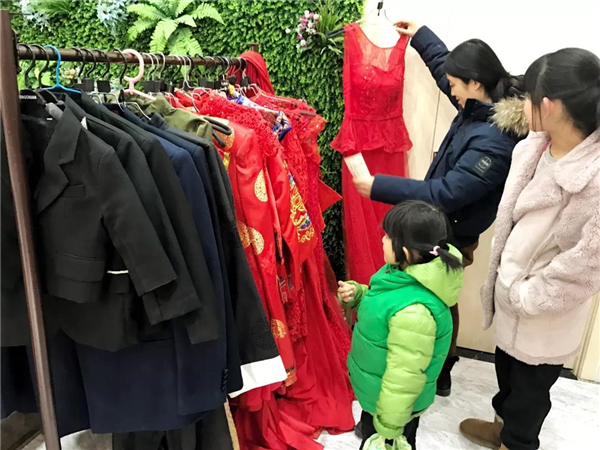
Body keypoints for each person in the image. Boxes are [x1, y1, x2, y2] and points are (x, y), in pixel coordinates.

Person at [352, 21, 529, 396]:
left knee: (440, 299)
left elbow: (447, 193)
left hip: (453, 232)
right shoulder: (479, 107)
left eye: (455, 85)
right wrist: (419, 34)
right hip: (438, 224)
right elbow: (442, 67)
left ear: (475, 83)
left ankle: (442, 366)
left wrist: (377, 186)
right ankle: (418, 357)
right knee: (425, 293)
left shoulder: (495, 141)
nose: (451, 91)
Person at [460, 48, 600, 450]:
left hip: (544, 311)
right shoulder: (535, 146)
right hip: (513, 296)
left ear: (550, 105)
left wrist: (529, 296)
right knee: (506, 374)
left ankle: (516, 441)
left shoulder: (592, 176)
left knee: (529, 395)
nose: (523, 103)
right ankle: (500, 427)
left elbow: (588, 262)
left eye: (529, 96)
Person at [338, 200, 464, 450]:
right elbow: (386, 307)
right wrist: (360, 295)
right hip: (379, 396)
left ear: (405, 250)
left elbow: (404, 378)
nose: (382, 240)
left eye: (388, 236)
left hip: (393, 410)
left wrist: (389, 428)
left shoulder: (415, 313)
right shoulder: (400, 274)